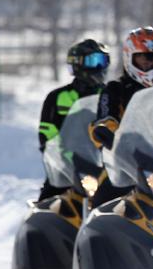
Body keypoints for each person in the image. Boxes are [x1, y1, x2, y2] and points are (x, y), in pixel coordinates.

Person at [88, 27, 153, 205]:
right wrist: (109, 136)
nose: (151, 65)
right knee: (101, 204)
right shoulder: (114, 90)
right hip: (127, 165)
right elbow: (105, 121)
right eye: (145, 58)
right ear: (130, 58)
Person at [36, 38, 110, 202]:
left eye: (103, 61)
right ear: (78, 64)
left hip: (104, 166)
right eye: (94, 61)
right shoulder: (57, 97)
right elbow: (47, 134)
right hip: (66, 166)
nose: (100, 67)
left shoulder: (110, 95)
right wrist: (63, 157)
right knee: (47, 201)